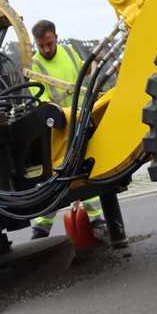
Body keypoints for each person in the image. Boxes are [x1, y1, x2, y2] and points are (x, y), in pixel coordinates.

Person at [29, 19, 107, 241]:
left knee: (86, 170)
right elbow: (40, 100)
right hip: (60, 129)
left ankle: (97, 220)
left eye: (50, 44)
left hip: (82, 121)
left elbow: (85, 79)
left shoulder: (70, 52)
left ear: (55, 36)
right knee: (58, 175)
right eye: (41, 46)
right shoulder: (35, 65)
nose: (46, 49)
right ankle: (41, 228)